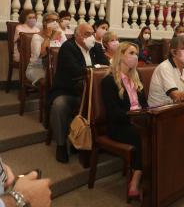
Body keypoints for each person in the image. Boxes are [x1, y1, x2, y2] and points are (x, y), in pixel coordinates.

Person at [49, 23, 109, 163]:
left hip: (91, 92)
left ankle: (95, 142)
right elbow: (76, 71)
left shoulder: (96, 47)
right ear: (77, 36)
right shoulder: (68, 48)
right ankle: (61, 145)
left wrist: (96, 68)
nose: (91, 37)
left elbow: (107, 66)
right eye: (87, 34)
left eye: (92, 33)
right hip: (69, 90)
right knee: (59, 105)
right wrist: (96, 68)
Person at [101, 42, 148, 201]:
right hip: (119, 125)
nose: (136, 56)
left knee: (159, 129)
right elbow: (113, 113)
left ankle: (153, 173)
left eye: (137, 53)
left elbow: (145, 105)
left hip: (138, 121)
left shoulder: (137, 76)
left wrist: (147, 114)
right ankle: (135, 181)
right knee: (142, 136)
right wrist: (134, 116)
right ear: (121, 56)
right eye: (132, 53)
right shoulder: (108, 81)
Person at [26, 12, 63, 86]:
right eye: (51, 20)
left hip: (56, 67)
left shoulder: (60, 34)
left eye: (57, 20)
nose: (55, 22)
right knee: (52, 78)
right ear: (44, 22)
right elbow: (41, 55)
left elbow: (66, 51)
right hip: (37, 67)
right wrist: (48, 37)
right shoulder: (36, 37)